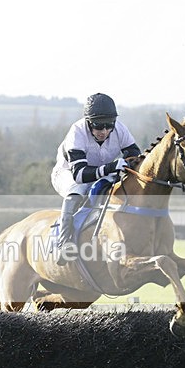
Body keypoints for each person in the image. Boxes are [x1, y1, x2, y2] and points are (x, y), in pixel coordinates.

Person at [51, 93, 141, 264]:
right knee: (77, 192)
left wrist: (129, 162)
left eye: (109, 126)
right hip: (68, 173)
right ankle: (63, 243)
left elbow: (134, 155)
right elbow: (79, 175)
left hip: (101, 171)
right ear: (88, 122)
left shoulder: (120, 129)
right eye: (99, 126)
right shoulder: (77, 132)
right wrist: (111, 167)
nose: (105, 131)